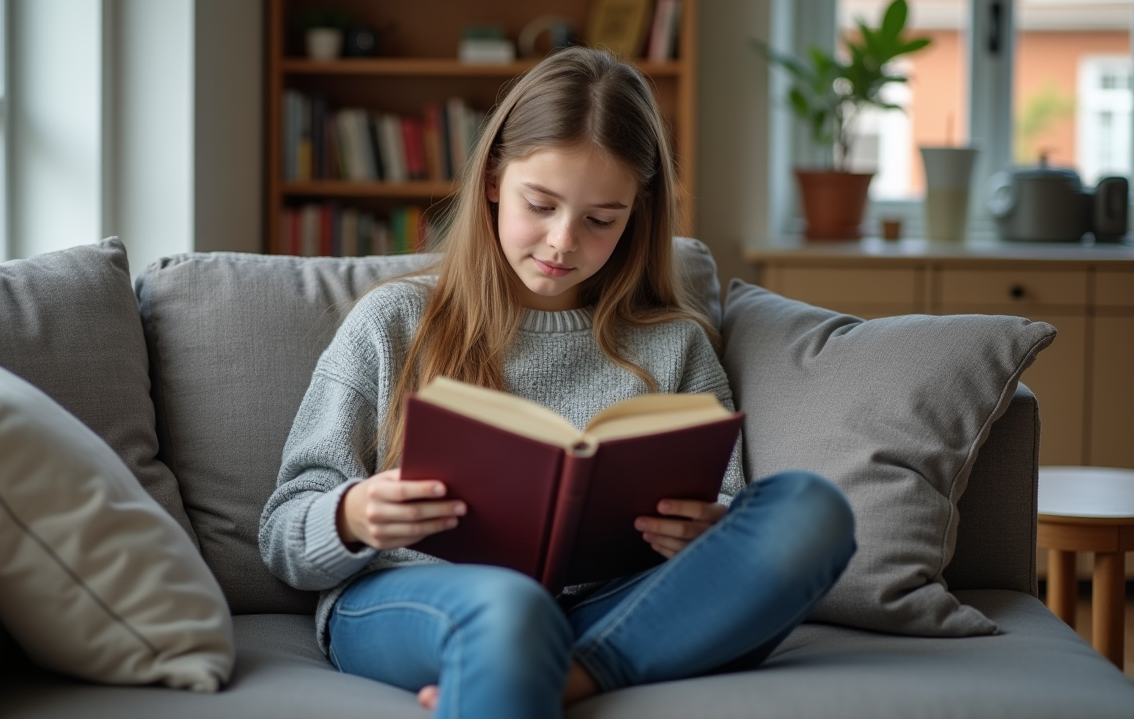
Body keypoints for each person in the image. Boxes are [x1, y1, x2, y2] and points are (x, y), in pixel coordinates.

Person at [259, 46, 856, 719]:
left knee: (811, 510)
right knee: (513, 608)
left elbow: (729, 523)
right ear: (491, 180)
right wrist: (353, 515)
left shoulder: (675, 345)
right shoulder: (393, 323)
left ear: (636, 215)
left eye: (601, 220)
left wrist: (707, 530)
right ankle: (548, 661)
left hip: (607, 605)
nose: (562, 241)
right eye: (539, 205)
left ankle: (565, 674)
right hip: (417, 602)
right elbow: (283, 532)